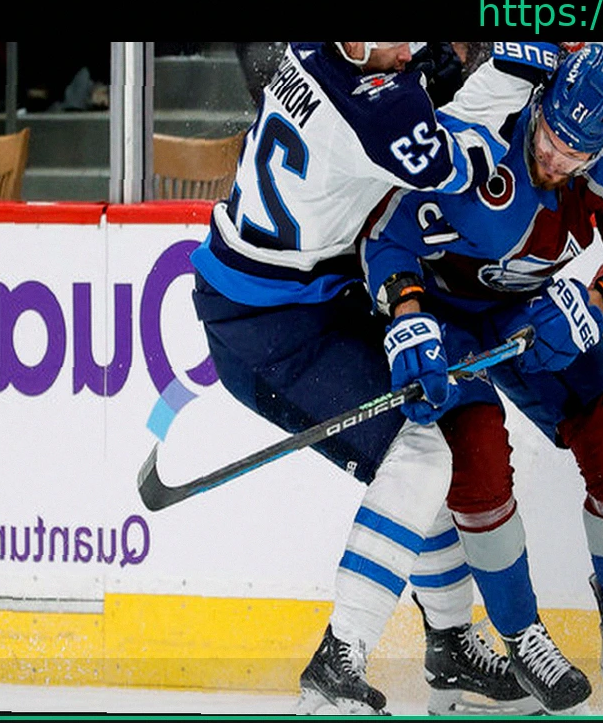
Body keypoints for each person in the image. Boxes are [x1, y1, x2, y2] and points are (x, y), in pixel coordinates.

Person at [189, 41, 561, 715]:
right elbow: (461, 167)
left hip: (286, 295)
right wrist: (513, 72)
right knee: (421, 456)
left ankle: (450, 648)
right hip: (270, 328)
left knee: (418, 461)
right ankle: (340, 659)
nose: (409, 51)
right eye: (400, 41)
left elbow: (395, 95)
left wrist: (426, 75)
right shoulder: (376, 111)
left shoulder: (316, 51)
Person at [359, 43, 603, 715]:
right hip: (442, 313)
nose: (553, 160)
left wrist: (600, 305)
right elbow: (384, 233)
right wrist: (406, 311)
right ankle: (523, 640)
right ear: (540, 103)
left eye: (574, 155)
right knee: (478, 453)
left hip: (532, 310)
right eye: (549, 138)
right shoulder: (483, 128)